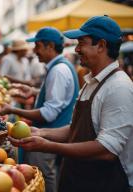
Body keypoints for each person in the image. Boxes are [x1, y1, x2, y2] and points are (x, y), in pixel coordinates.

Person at [9, 16, 133, 192]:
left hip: (103, 184)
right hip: (80, 179)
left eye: (81, 43)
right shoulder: (91, 83)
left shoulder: (119, 88)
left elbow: (106, 150)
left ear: (101, 46)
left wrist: (47, 145)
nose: (76, 49)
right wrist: (42, 132)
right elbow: (75, 129)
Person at [0, 27, 79, 192]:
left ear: (49, 46)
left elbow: (48, 113)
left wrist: (13, 110)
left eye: (38, 46)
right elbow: (58, 99)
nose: (35, 51)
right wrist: (34, 91)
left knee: (43, 175)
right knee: (46, 173)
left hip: (50, 133)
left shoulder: (58, 70)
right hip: (51, 132)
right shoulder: (61, 66)